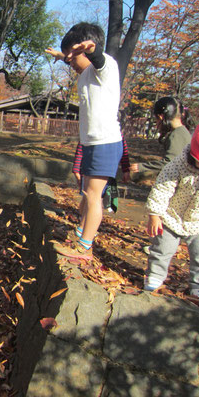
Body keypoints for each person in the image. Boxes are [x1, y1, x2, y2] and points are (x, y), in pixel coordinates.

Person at [46, 22, 123, 260]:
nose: (70, 60)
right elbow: (81, 62)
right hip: (91, 143)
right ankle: (80, 230)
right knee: (86, 194)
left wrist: (91, 49)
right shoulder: (84, 74)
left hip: (105, 143)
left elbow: (97, 59)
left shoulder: (106, 67)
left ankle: (85, 247)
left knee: (92, 196)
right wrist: (63, 56)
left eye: (72, 55)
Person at [143, 122, 199, 298]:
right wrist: (155, 214)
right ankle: (154, 276)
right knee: (161, 248)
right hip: (171, 216)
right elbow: (163, 187)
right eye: (197, 162)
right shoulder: (180, 163)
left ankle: (198, 284)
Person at [130, 97, 192, 175]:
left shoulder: (176, 135)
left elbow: (170, 162)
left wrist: (143, 167)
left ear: (161, 117)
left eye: (156, 119)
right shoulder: (182, 132)